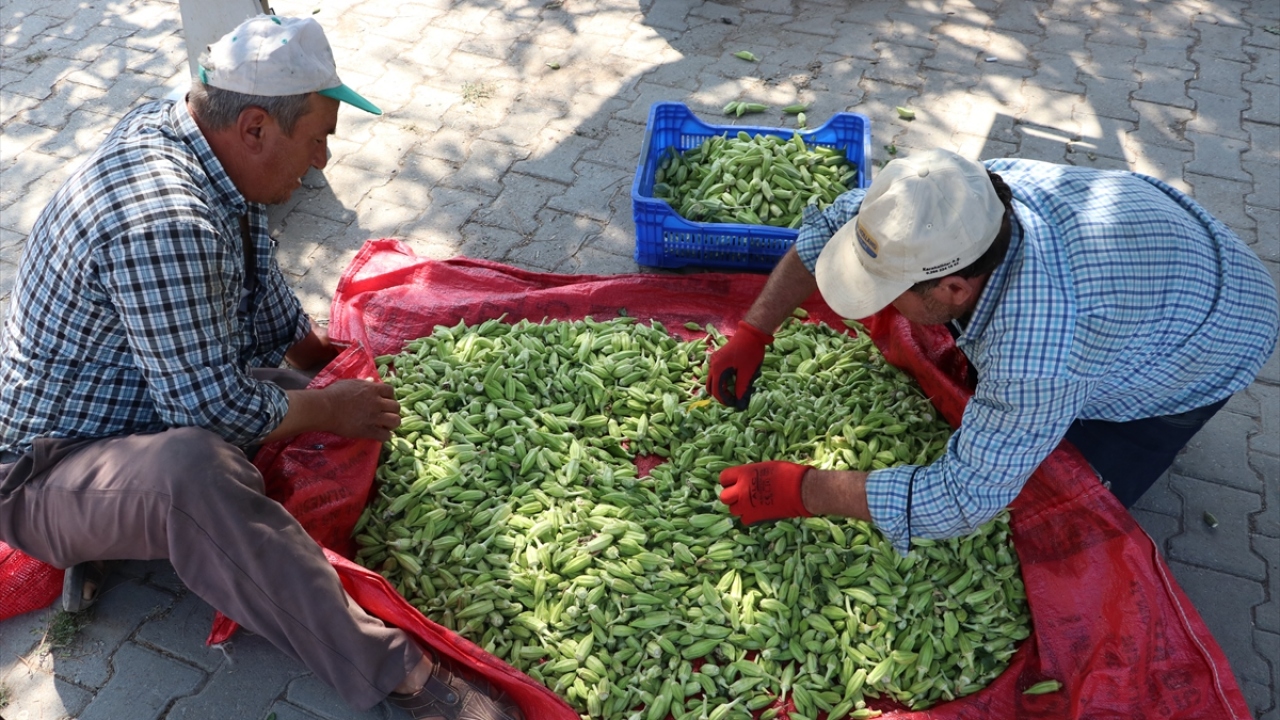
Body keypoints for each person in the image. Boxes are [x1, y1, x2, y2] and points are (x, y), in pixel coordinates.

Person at [0, 15, 521, 720]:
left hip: (138, 402)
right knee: (199, 474)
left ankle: (127, 532)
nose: (324, 161)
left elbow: (256, 284)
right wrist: (332, 407)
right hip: (46, 469)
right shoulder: (166, 220)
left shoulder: (195, 140)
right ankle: (399, 673)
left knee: (287, 400)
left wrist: (326, 365)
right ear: (254, 128)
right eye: (318, 139)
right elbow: (211, 410)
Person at [711, 148, 1279, 553]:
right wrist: (755, 329)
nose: (872, 306)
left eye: (888, 294)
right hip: (1153, 248)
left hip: (1217, 334)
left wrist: (805, 488)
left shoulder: (1040, 349)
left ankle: (1132, 423)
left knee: (1066, 506)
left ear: (954, 289)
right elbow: (834, 226)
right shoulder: (951, 199)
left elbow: (961, 499)